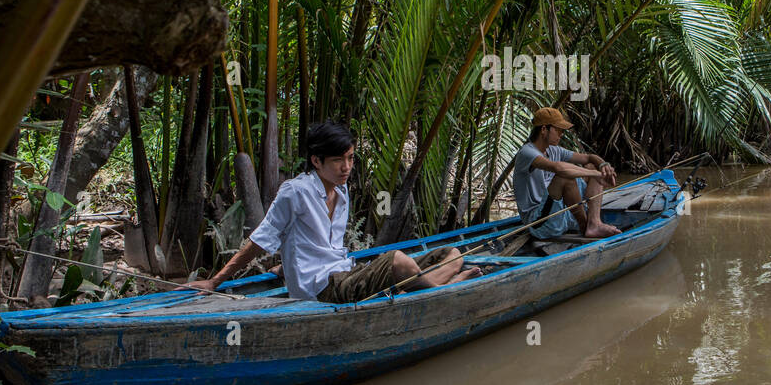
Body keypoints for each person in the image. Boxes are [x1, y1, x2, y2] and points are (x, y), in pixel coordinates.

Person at [192, 120, 480, 301]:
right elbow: (260, 239)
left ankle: (434, 284)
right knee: (399, 262)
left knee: (451, 253)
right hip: (323, 290)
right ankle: (446, 289)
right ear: (316, 161)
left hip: (345, 273)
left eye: (351, 158)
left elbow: (317, 247)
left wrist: (288, 268)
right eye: (338, 160)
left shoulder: (341, 192)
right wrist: (216, 281)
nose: (346, 167)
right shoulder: (296, 192)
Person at [512, 107, 621, 240]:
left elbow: (589, 158)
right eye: (558, 130)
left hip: (560, 215)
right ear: (544, 130)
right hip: (539, 223)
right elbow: (558, 168)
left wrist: (604, 166)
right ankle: (584, 225)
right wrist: (596, 174)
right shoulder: (527, 152)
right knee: (566, 177)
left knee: (594, 166)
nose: (561, 134)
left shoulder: (554, 150)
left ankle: (594, 223)